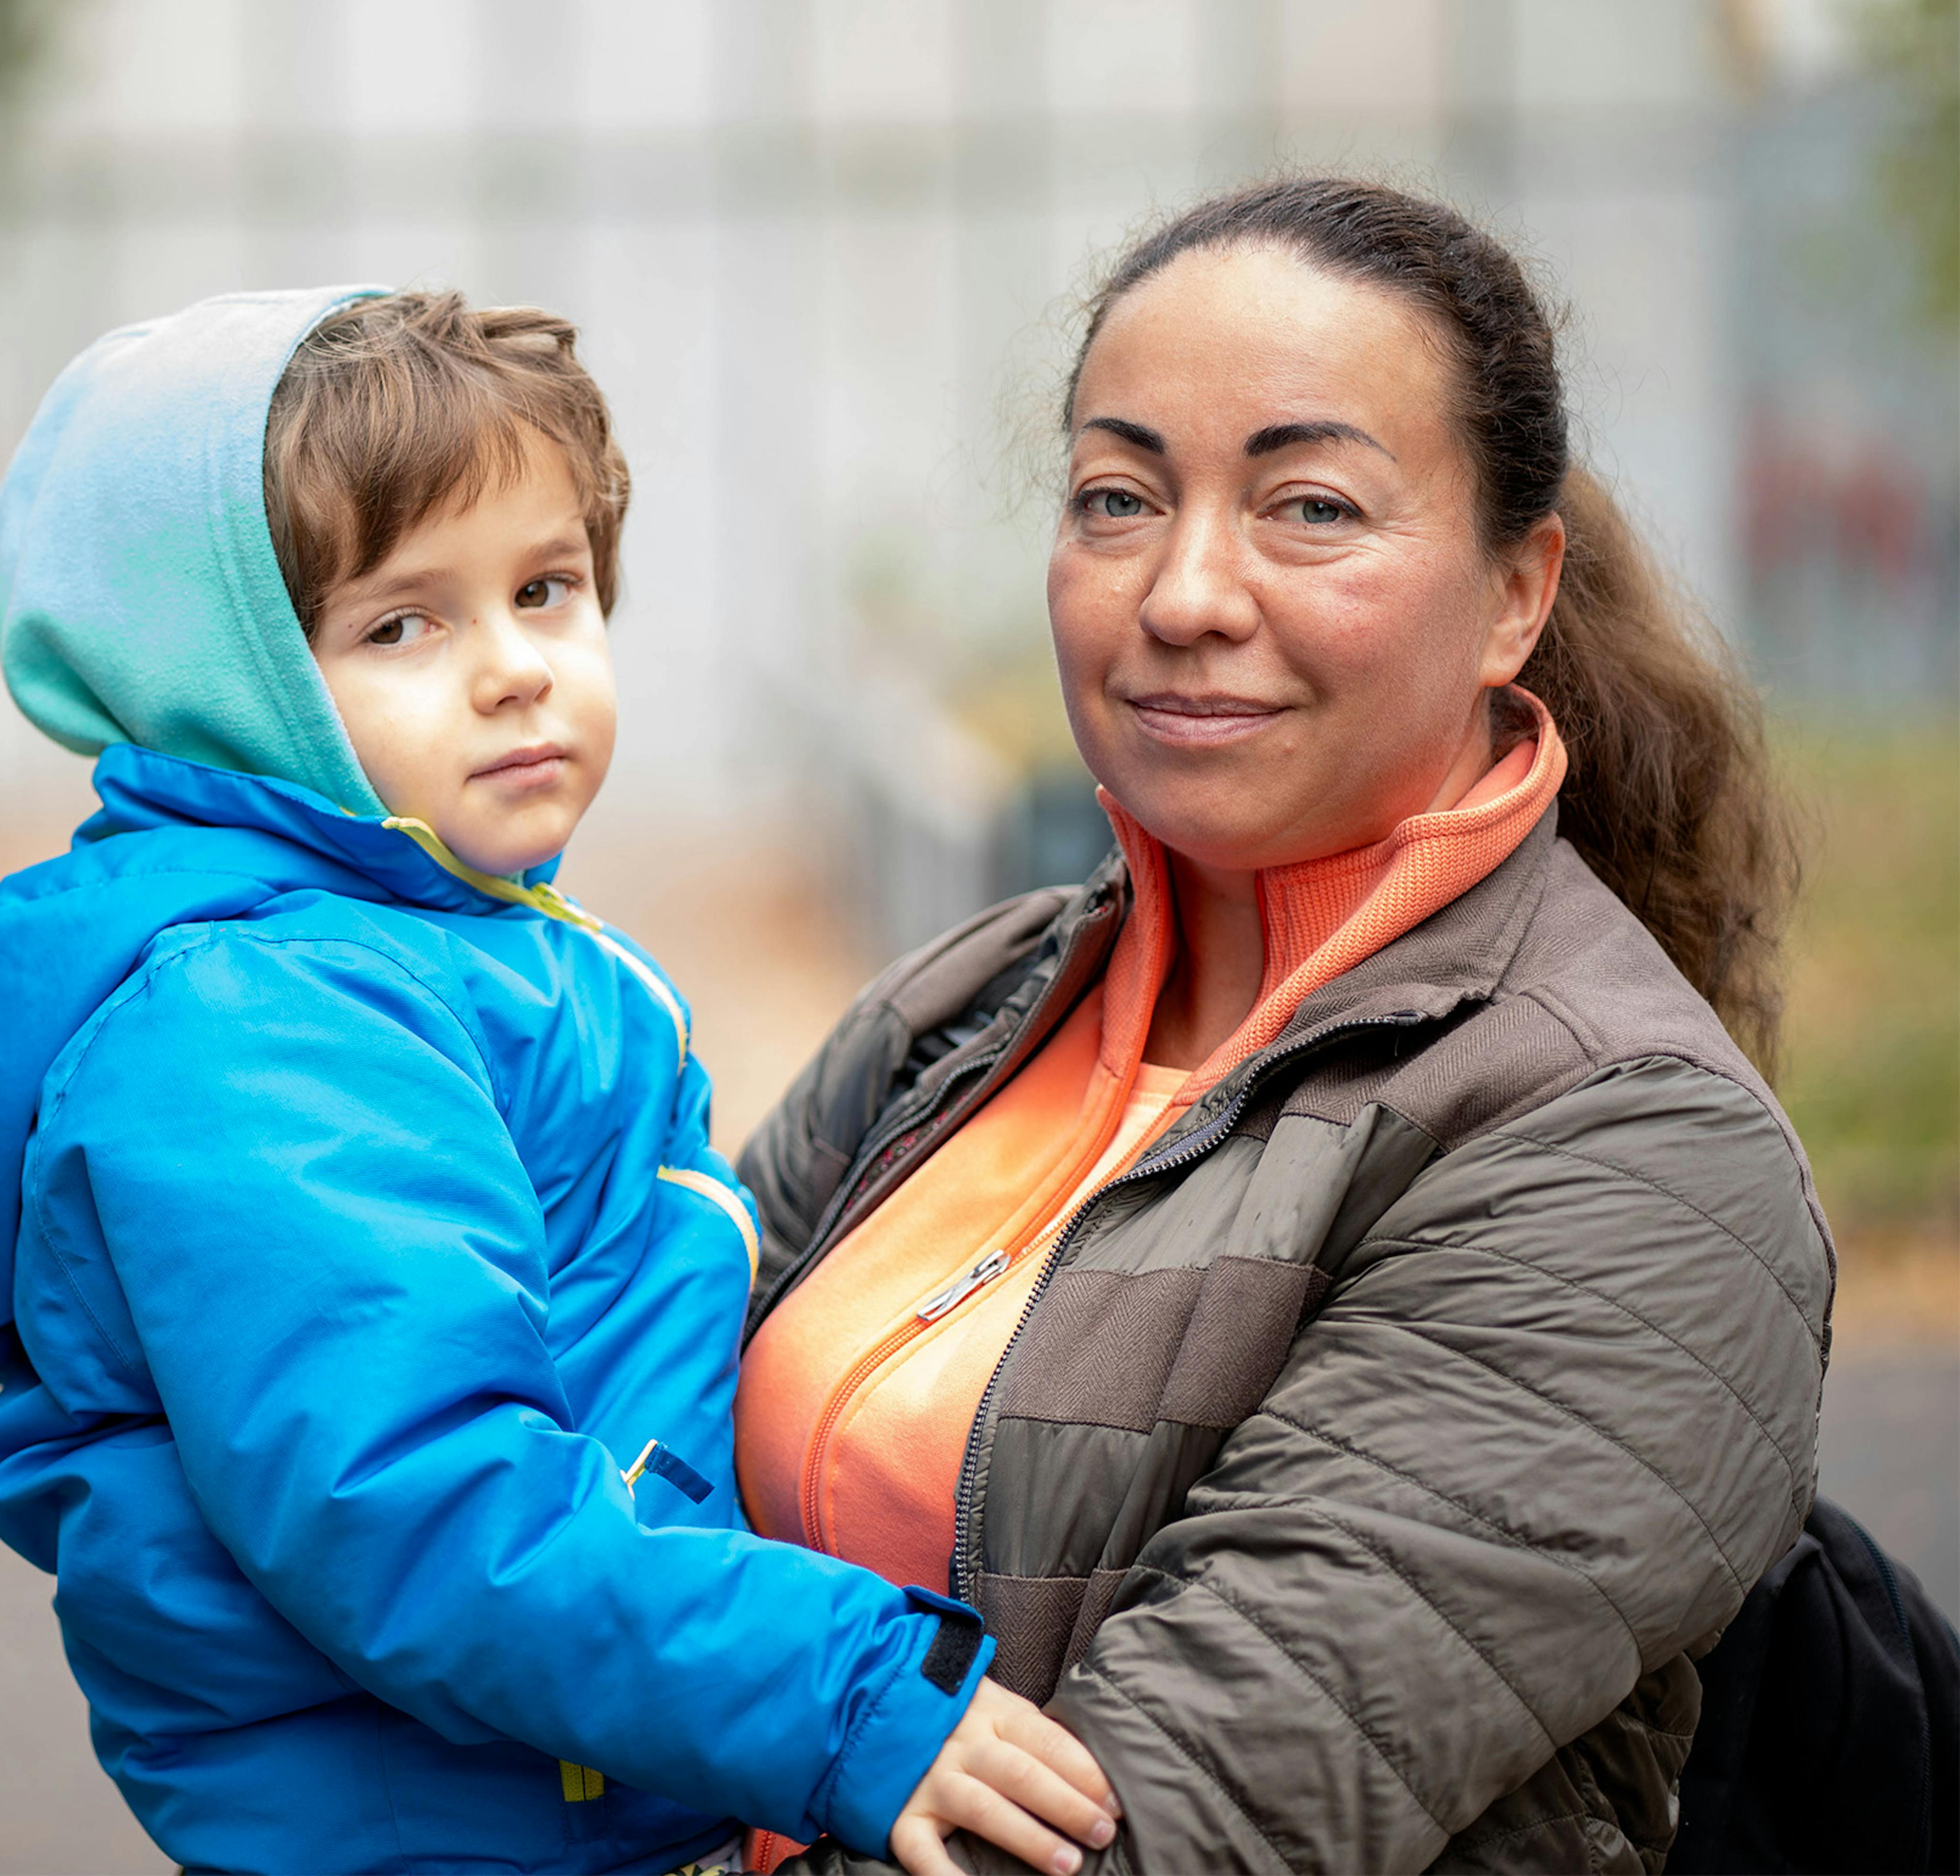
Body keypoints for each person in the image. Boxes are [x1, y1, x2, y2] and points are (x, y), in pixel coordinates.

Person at [0, 289, 1119, 1876]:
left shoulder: (431, 939)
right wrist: (841, 1694)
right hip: (449, 1824)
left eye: (546, 589)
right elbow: (418, 1499)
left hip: (544, 1778)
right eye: (401, 625)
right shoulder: (266, 1024)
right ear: (227, 687)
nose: (513, 670)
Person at [735, 178, 1833, 1873]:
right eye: (1119, 496)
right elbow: (587, 1502)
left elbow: (1164, 1825)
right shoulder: (958, 1012)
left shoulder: (1625, 1146)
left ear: (1515, 594)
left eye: (1309, 507)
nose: (1183, 592)